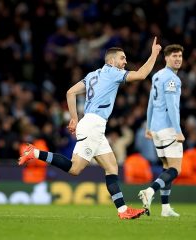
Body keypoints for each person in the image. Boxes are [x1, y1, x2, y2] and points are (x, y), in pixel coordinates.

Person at [19, 37, 162, 219]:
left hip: (92, 125)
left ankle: (123, 210)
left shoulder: (93, 75)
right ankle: (35, 153)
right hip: (93, 125)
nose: (125, 62)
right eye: (122, 58)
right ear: (111, 61)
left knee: (111, 167)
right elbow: (141, 75)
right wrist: (154, 54)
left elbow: (70, 92)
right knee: (75, 169)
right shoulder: (112, 72)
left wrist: (74, 118)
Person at [138, 44, 184, 217]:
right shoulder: (173, 79)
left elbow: (150, 102)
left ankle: (165, 208)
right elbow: (172, 107)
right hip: (168, 129)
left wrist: (149, 127)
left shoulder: (157, 76)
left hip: (156, 130)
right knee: (176, 169)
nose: (178, 59)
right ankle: (150, 191)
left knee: (166, 167)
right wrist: (178, 131)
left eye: (179, 56)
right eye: (174, 56)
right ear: (166, 58)